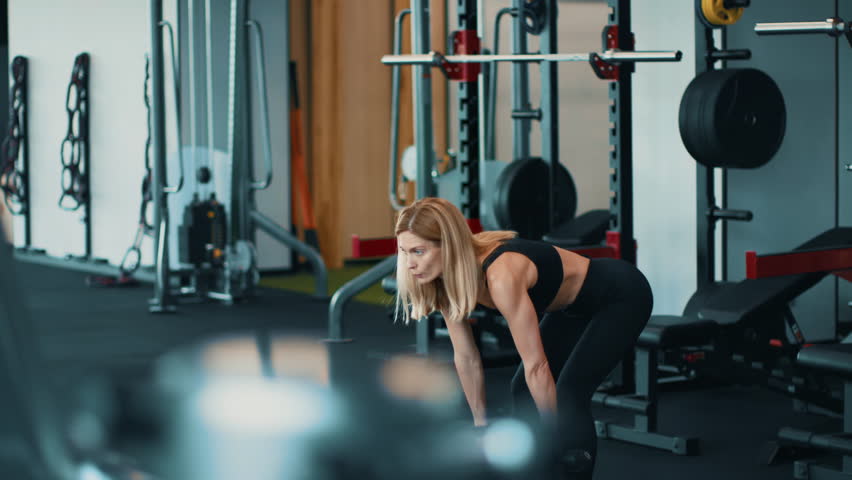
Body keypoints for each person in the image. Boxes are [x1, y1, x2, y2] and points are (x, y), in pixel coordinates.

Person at [394, 197, 653, 479]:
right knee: (522, 389)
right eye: (404, 252)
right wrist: (480, 424)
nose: (409, 263)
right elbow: (467, 358)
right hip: (571, 308)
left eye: (418, 251)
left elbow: (537, 366)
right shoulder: (444, 282)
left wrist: (554, 438)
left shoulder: (501, 276)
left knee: (566, 396)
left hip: (621, 294)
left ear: (450, 245)